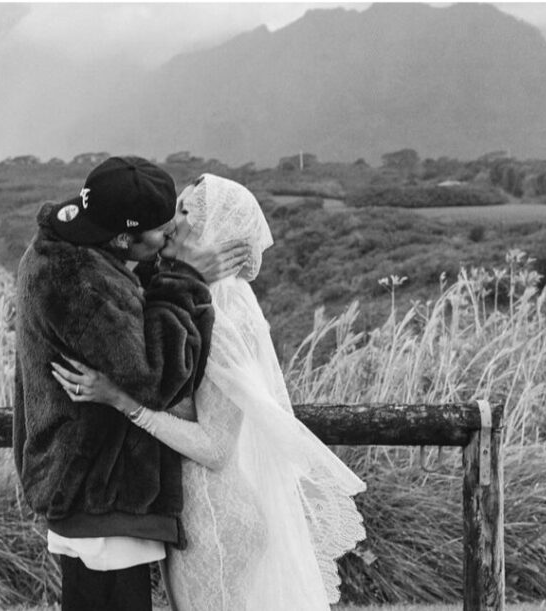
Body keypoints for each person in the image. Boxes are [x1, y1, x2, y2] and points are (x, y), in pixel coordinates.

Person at [52, 173, 367, 609]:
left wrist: (123, 401)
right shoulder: (195, 298)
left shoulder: (219, 316)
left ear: (213, 232)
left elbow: (216, 447)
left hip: (215, 521)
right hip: (201, 518)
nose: (171, 222)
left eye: (185, 212)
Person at [13, 157, 249, 611]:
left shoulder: (69, 245)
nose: (170, 235)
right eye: (160, 231)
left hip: (82, 477)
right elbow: (157, 379)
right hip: (98, 489)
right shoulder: (82, 282)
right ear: (123, 237)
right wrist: (185, 279)